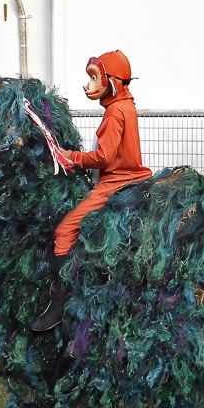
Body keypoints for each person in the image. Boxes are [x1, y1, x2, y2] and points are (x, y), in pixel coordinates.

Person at [30, 50, 153, 331]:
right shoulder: (127, 106)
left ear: (113, 82)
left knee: (63, 231)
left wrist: (72, 156)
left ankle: (60, 303)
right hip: (132, 178)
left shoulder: (114, 112)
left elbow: (105, 158)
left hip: (115, 184)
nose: (89, 85)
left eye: (95, 78)